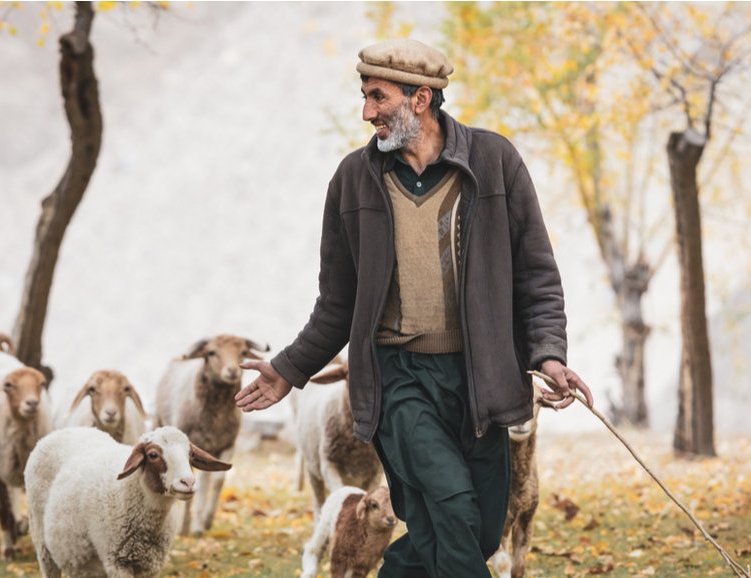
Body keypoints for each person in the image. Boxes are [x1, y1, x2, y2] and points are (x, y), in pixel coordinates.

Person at [236, 38, 594, 578]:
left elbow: (536, 276)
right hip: (397, 378)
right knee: (451, 505)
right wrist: (290, 369)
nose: (367, 113)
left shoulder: (495, 162)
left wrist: (548, 356)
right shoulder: (353, 179)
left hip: (481, 380)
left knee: (467, 533)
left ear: (421, 99)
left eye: (377, 98)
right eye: (364, 97)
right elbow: (337, 303)